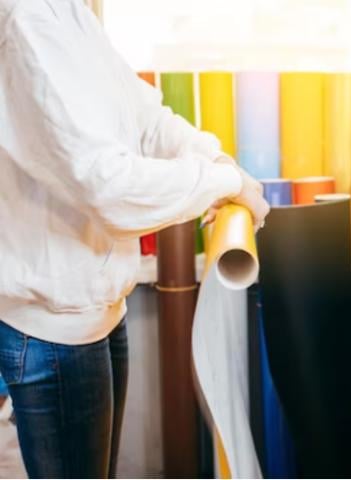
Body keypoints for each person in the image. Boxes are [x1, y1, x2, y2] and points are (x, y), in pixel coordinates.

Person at [0, 0, 270, 477]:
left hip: (100, 310)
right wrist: (222, 185)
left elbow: (146, 118)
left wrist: (218, 161)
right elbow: (107, 186)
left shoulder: (73, 14)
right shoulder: (29, 20)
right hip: (54, 329)